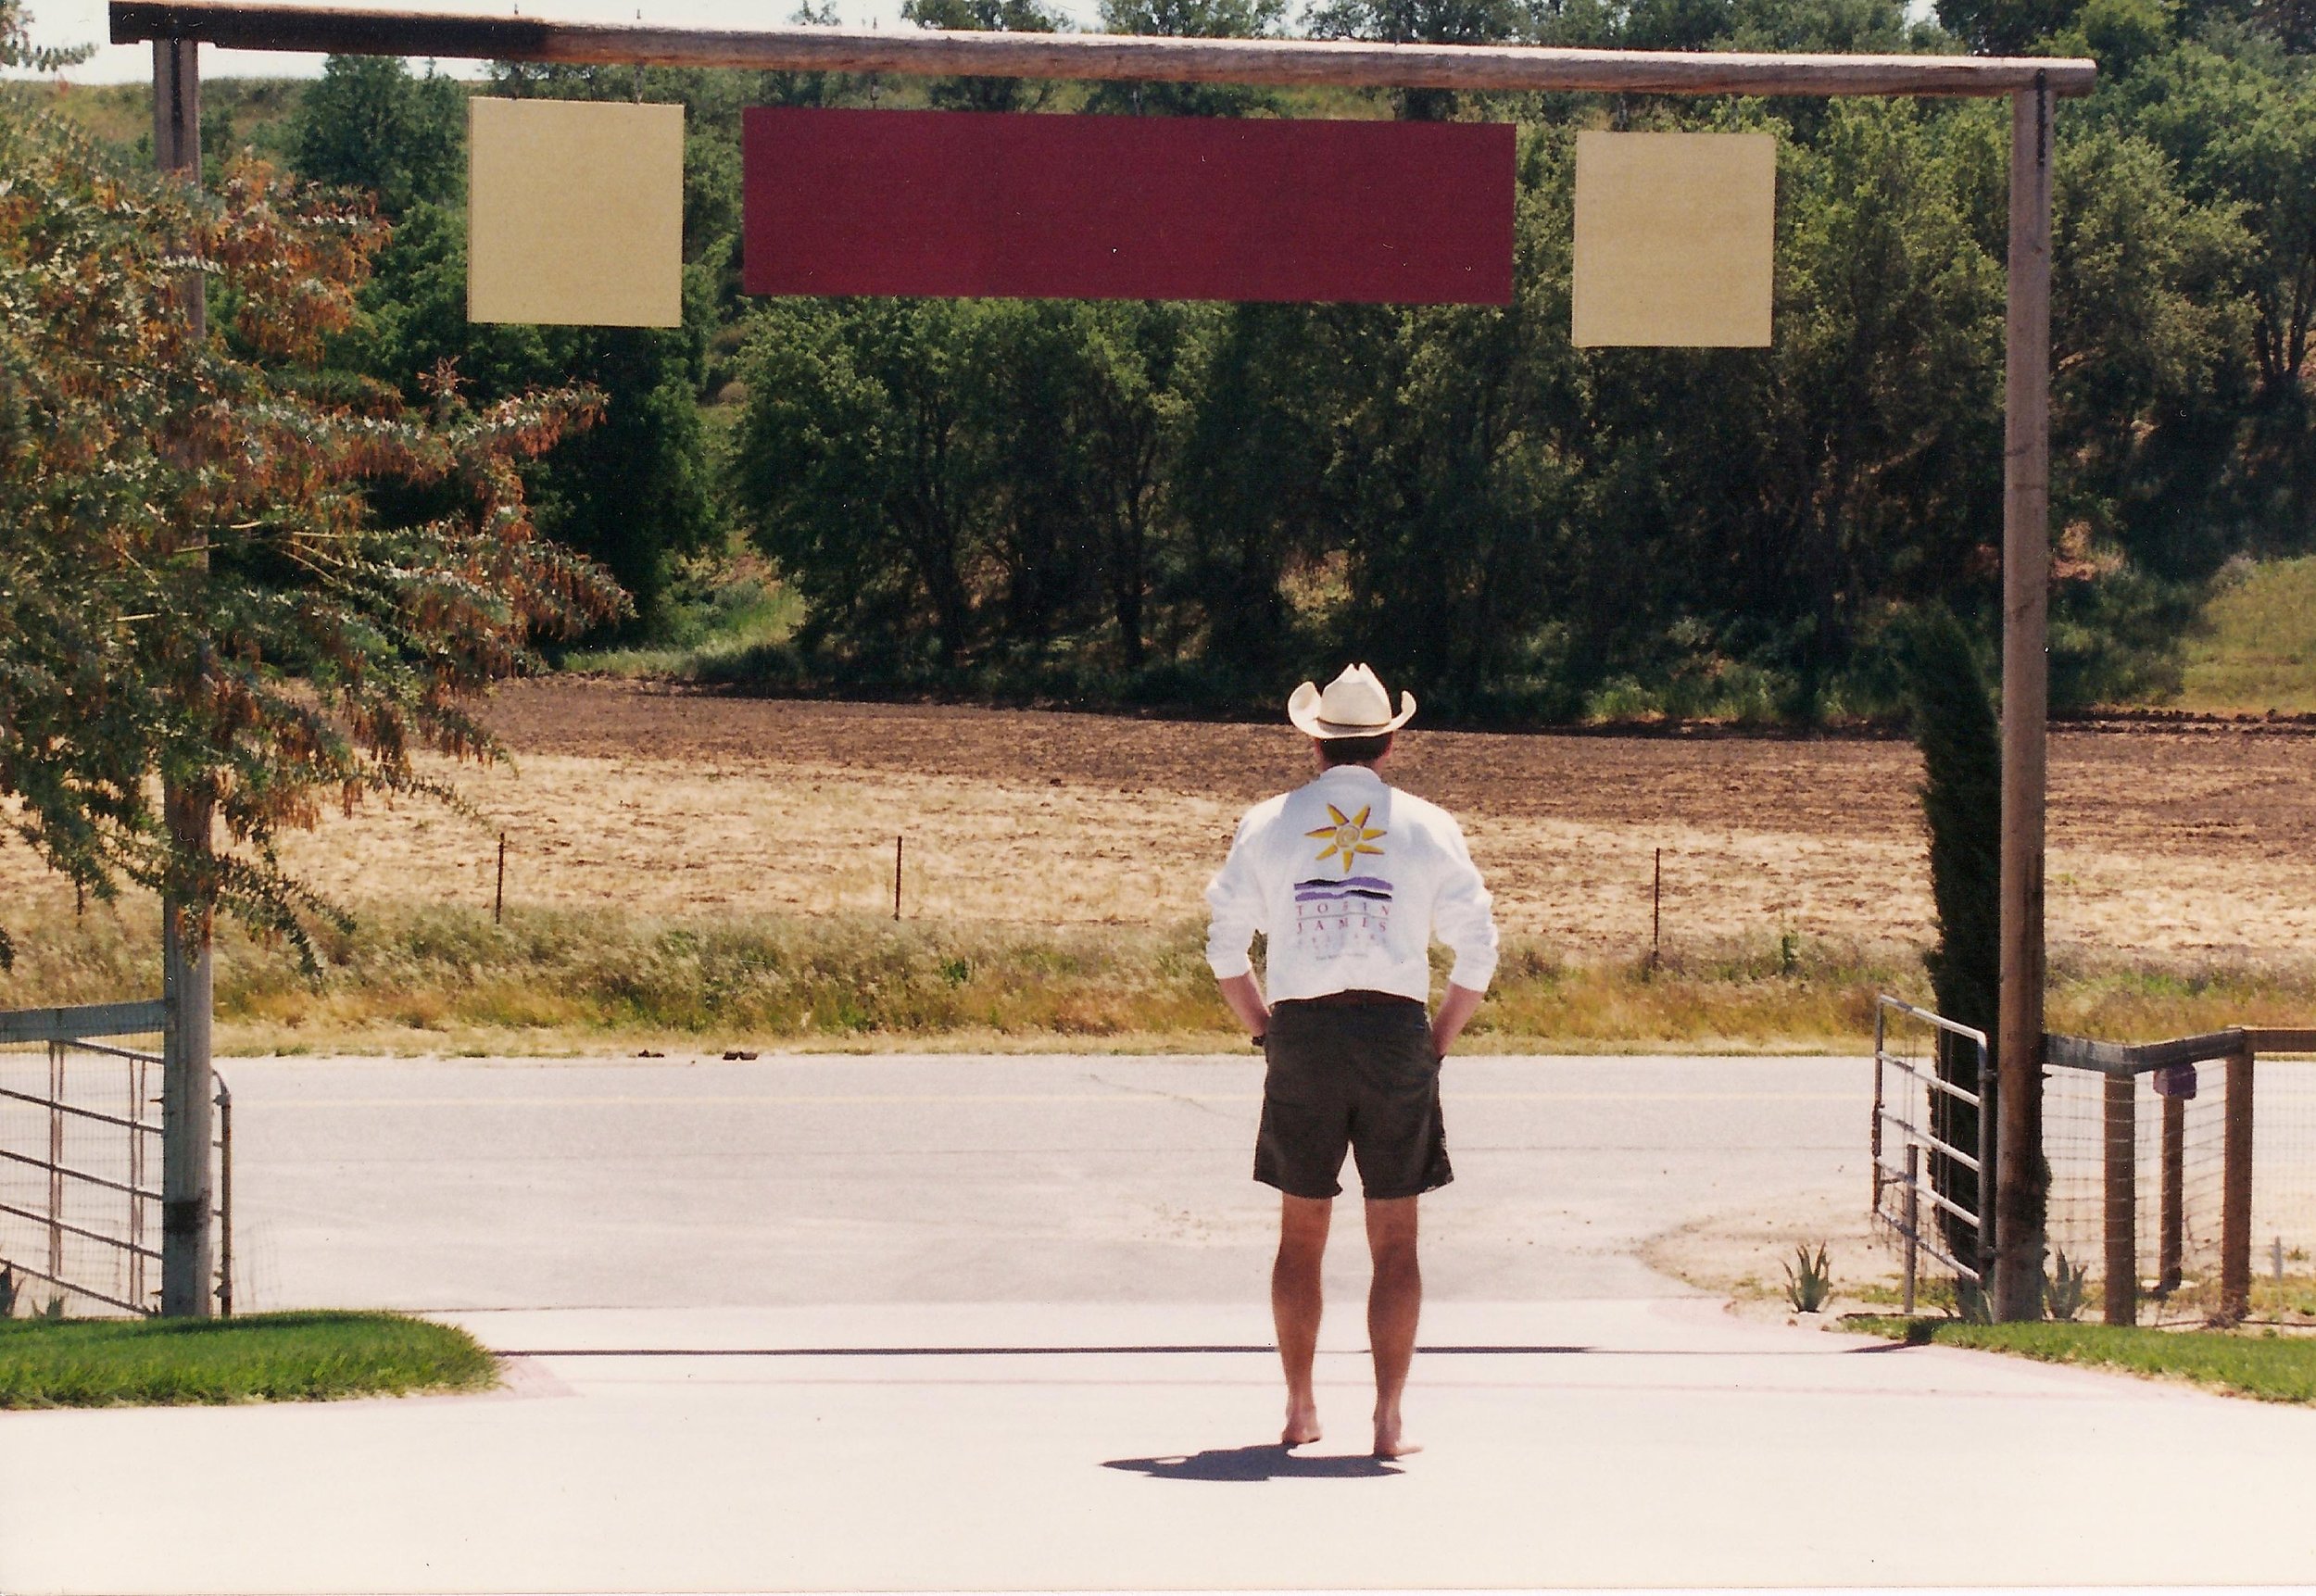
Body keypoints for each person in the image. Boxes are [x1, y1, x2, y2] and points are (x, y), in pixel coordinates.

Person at [1204, 662, 1498, 1460]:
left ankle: (1301, 1406)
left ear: (1314, 744)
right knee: (1396, 1237)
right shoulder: (1431, 826)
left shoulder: (1267, 822)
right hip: (1397, 1030)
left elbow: (1224, 946)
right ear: (1391, 744)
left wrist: (1265, 1028)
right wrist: (1434, 1041)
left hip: (1303, 1031)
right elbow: (1480, 949)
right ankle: (1389, 1416)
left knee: (1301, 1232)